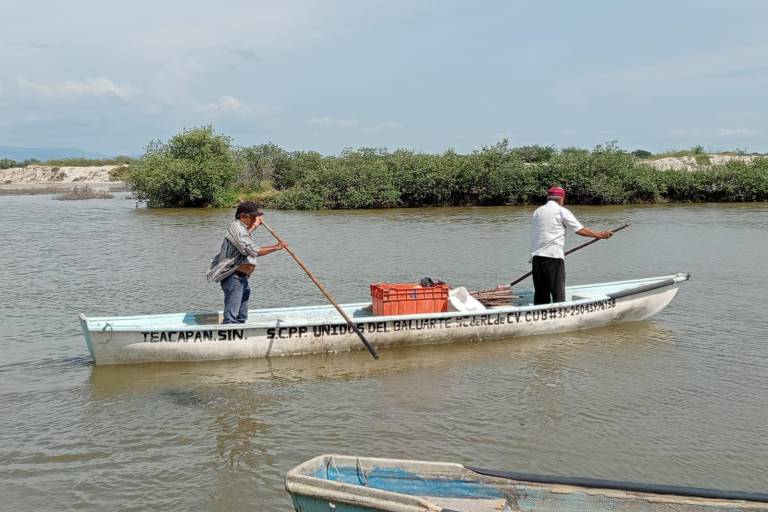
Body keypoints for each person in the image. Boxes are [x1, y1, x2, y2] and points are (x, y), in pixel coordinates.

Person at [530, 186, 613, 305]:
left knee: (541, 294)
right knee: (558, 292)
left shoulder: (537, 212)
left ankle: (539, 311)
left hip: (537, 257)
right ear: (561, 199)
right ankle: (560, 311)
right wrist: (600, 235)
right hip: (553, 257)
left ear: (548, 198)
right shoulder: (561, 211)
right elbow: (579, 230)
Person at [206, 201, 285, 324]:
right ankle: (230, 331)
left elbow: (245, 237)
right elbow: (251, 250)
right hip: (233, 277)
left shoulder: (242, 229)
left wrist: (255, 225)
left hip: (242, 278)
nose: (254, 220)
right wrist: (276, 247)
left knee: (241, 316)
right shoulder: (237, 228)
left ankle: (240, 330)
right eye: (252, 217)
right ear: (243, 216)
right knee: (231, 317)